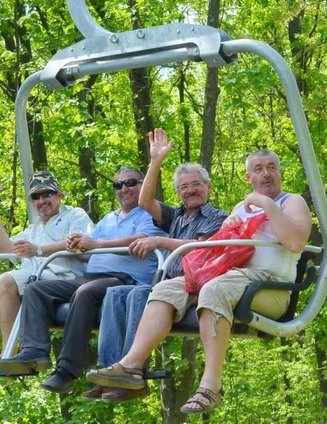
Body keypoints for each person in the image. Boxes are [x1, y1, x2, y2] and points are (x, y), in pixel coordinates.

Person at [86, 144, 312, 415]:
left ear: (280, 173)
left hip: (268, 285)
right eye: (259, 169)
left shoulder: (291, 201)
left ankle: (211, 385)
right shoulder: (240, 207)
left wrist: (264, 203)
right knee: (166, 288)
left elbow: (295, 242)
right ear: (248, 177)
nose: (266, 174)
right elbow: (221, 247)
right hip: (231, 276)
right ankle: (132, 365)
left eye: (271, 168)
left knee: (214, 289)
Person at [83, 129, 227, 402]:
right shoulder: (176, 216)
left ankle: (133, 371)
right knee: (115, 294)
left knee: (139, 293)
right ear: (178, 192)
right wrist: (156, 162)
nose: (191, 191)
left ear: (208, 187)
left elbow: (197, 249)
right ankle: (110, 371)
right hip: (166, 284)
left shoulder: (218, 216)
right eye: (184, 187)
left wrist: (158, 240)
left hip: (193, 283)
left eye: (196, 185)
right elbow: (145, 201)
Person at [0, 167, 167, 394]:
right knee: (36, 289)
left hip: (124, 279)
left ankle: (66, 371)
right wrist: (77, 245)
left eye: (130, 183)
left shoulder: (151, 216)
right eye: (118, 185)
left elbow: (138, 241)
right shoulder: (108, 219)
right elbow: (87, 249)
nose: (124, 189)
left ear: (142, 185)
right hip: (91, 275)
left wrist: (96, 245)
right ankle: (34, 351)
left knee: (85, 292)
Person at [0, 171, 93, 369]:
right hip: (30, 277)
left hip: (61, 280)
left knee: (6, 280)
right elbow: (6, 248)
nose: (41, 200)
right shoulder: (34, 228)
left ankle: (9, 352)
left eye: (47, 194)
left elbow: (79, 244)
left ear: (59, 195)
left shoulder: (74, 215)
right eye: (36, 196)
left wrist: (38, 250)